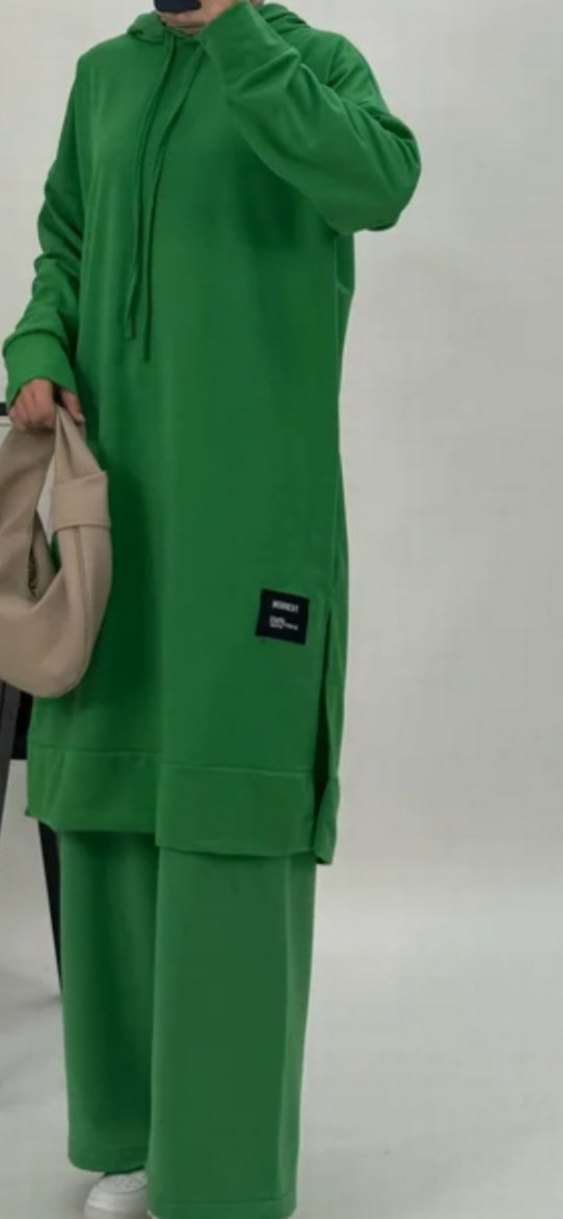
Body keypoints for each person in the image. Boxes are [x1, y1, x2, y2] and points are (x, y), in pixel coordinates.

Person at [1, 1, 421, 1216]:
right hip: (113, 514)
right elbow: (65, 240)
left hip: (249, 522)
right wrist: (39, 347)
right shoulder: (103, 77)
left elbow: (378, 182)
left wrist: (235, 34)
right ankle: (135, 1138)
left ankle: (222, 1179)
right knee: (111, 803)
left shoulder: (308, 61)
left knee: (231, 814)